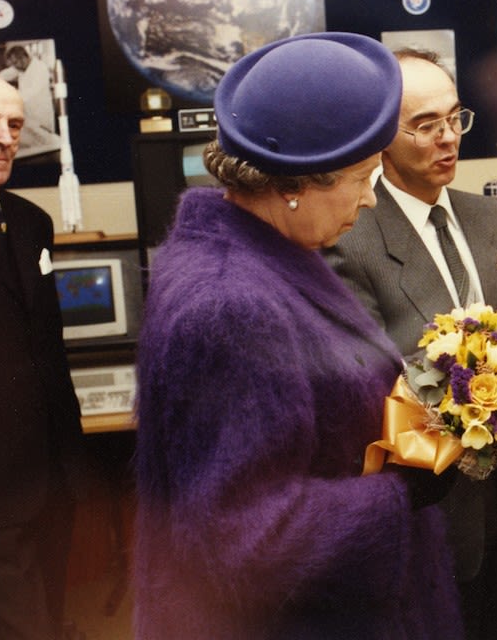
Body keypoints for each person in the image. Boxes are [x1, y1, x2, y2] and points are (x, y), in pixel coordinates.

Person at [131, 32, 463, 639]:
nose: (369, 200)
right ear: (293, 185)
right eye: (362, 177)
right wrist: (404, 490)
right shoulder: (230, 302)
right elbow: (248, 539)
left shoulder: (268, 252)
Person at [325, 47, 497, 639]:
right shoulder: (352, 236)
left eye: (456, 118)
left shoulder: (488, 216)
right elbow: (361, 390)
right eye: (426, 126)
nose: (448, 138)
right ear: (383, 136)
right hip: (430, 505)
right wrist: (470, 389)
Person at [0, 71, 88, 639]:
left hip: (51, 474)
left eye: (14, 125)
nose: (4, 137)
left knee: (46, 616)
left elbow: (45, 348)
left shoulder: (31, 223)